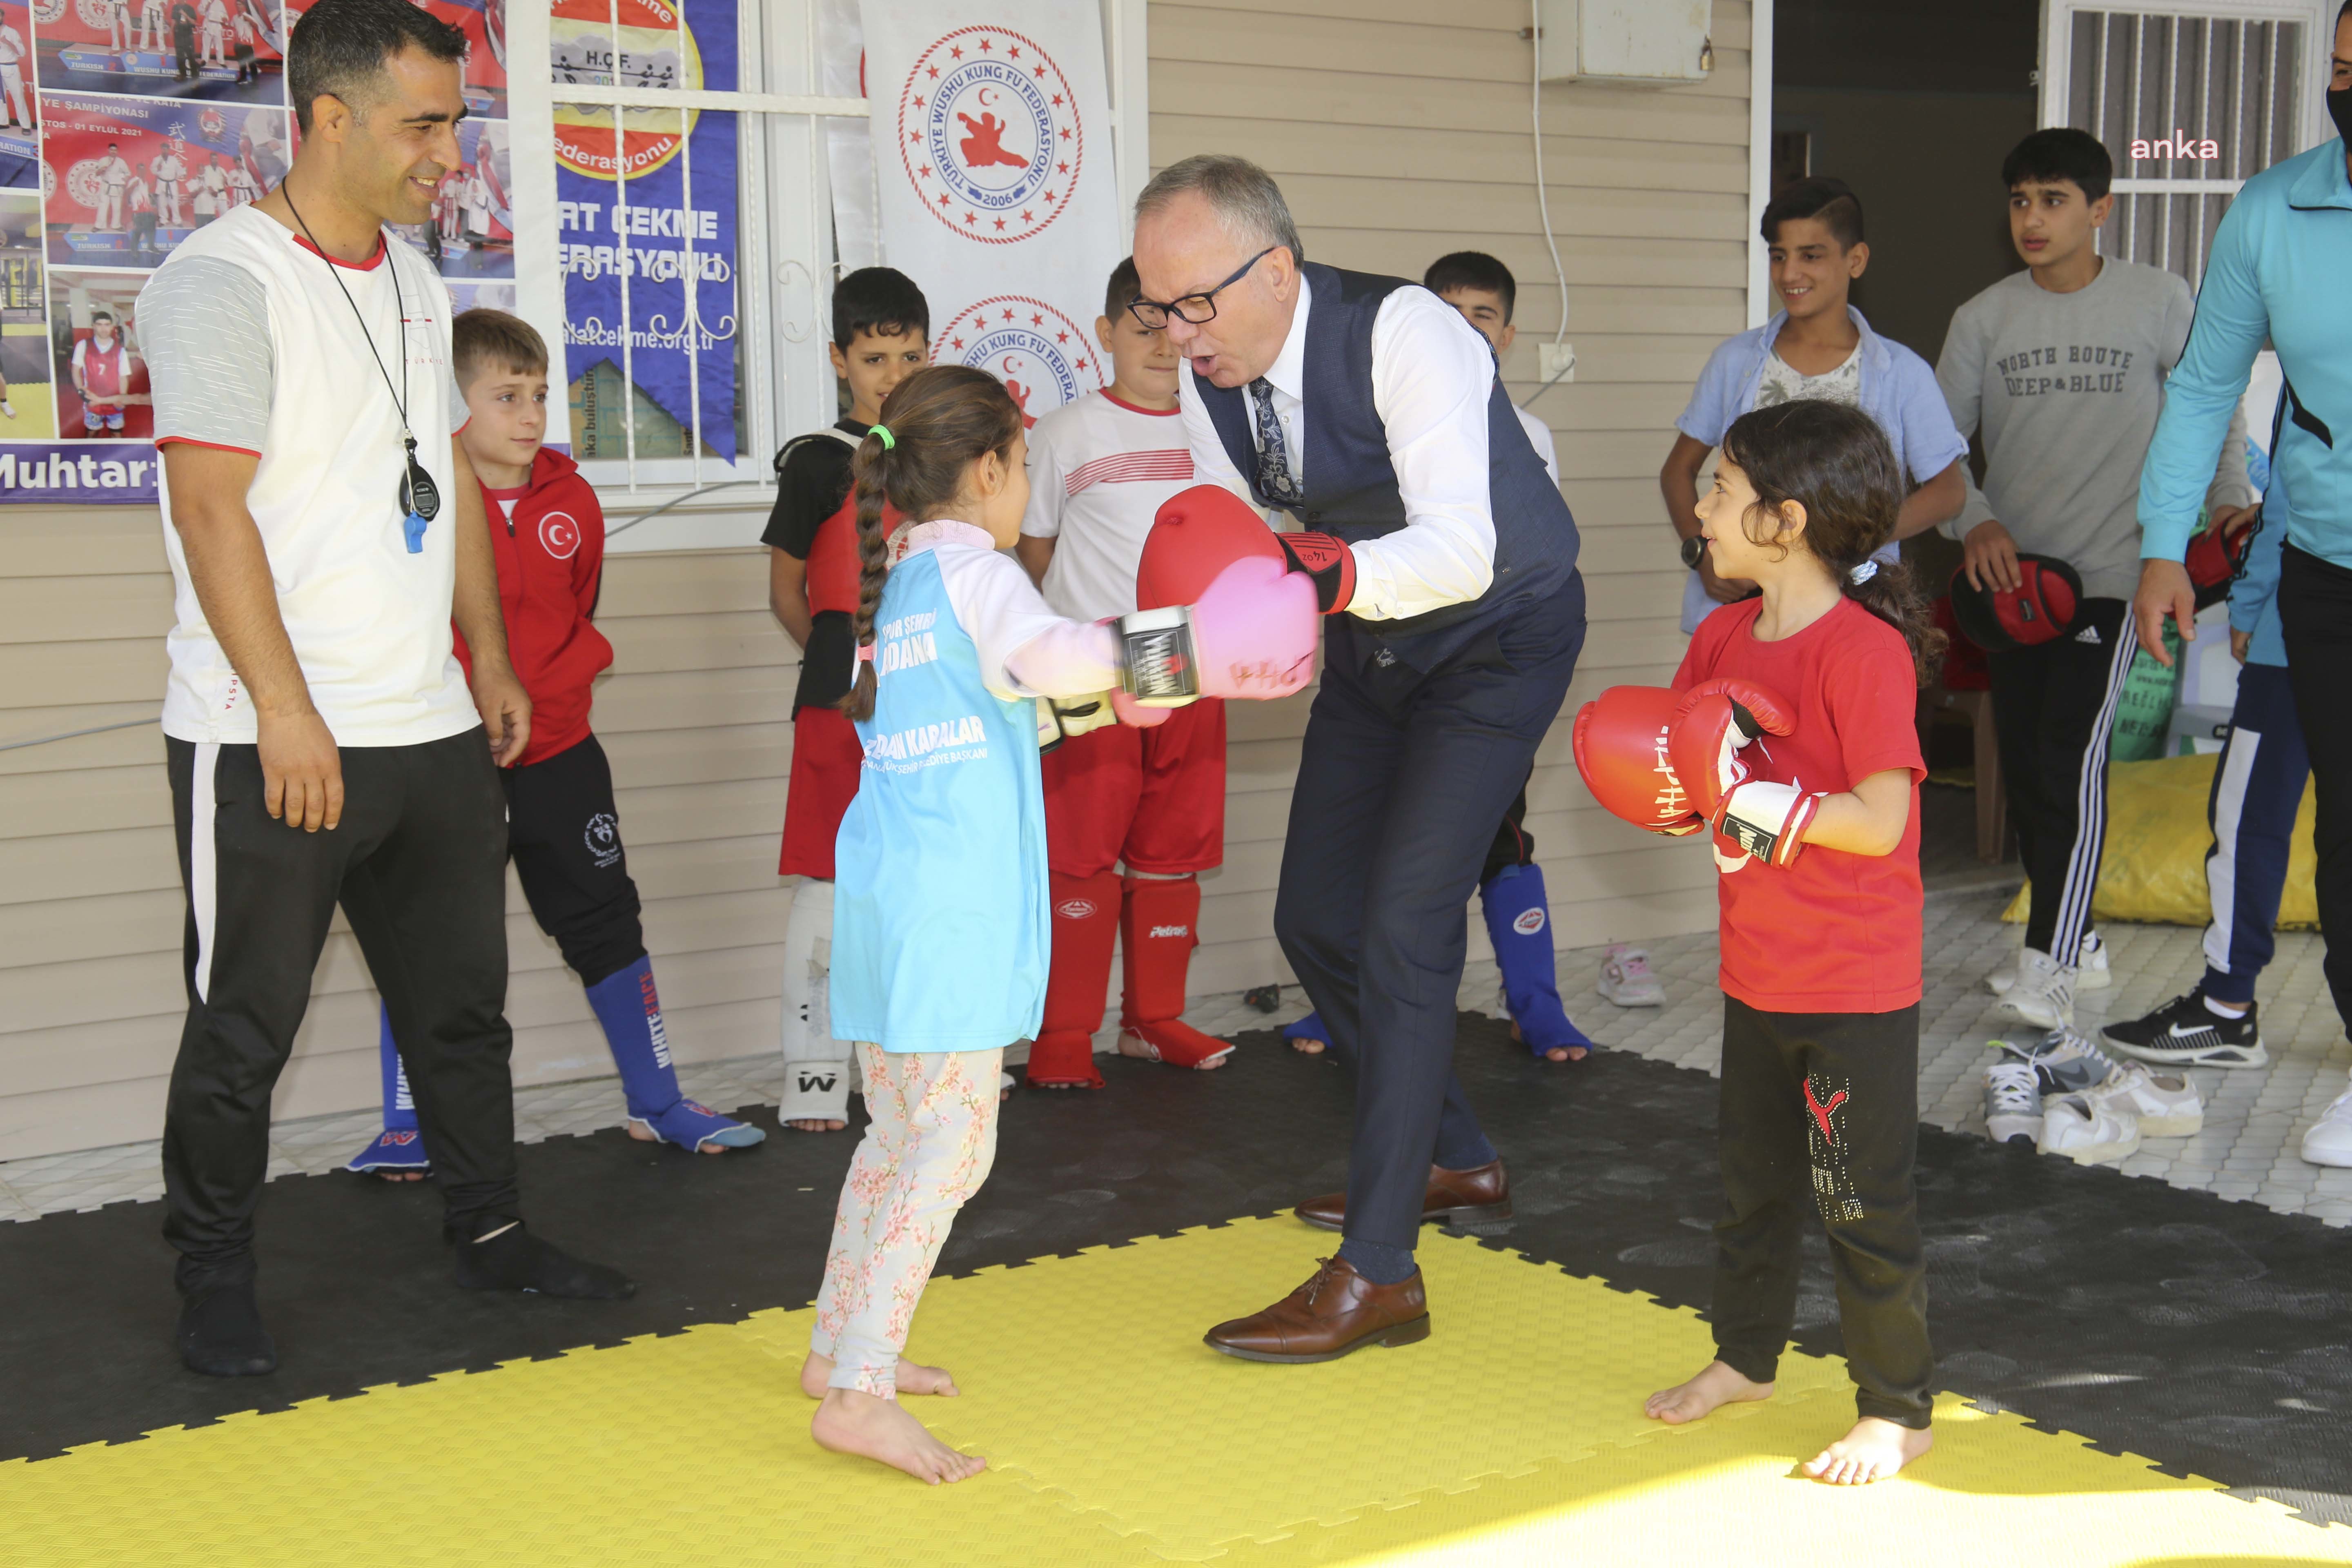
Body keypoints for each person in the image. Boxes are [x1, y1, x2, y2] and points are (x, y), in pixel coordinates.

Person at [136, 0, 629, 1379]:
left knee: (461, 1011)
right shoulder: (222, 281)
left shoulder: (416, 278)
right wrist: (287, 712)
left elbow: (447, 478)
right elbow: (211, 511)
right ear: (330, 118)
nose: (448, 153)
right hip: (271, 737)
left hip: (429, 728)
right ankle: (212, 1277)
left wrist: (489, 656)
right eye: (424, 124)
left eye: (454, 123)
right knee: (245, 1028)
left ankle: (492, 1230)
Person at [797, 365, 1315, 1481]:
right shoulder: (980, 576)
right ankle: (858, 1390)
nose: (1026, 485)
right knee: (951, 1148)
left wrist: (1128, 695)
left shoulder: (902, 583)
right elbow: (1046, 658)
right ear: (989, 470)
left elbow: (1000, 715)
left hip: (886, 897)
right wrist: (1189, 644)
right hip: (949, 910)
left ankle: (840, 1345)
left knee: (895, 1138)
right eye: (1025, 465)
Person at [1134, 155, 1586, 1360]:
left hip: (1498, 637)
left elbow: (1458, 551)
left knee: (1404, 928)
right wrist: (1130, 676)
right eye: (1155, 306)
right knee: (1316, 919)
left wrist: (1305, 572)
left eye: (1194, 303)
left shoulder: (1406, 332)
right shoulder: (1210, 376)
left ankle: (1380, 1271)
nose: (1176, 334)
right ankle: (1456, 1155)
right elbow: (1228, 556)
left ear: (1275, 270)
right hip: (1376, 645)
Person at [1583, 399, 1937, 1483]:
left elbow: (1879, 821)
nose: (1700, 507)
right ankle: (1745, 1360)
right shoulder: (1721, 637)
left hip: (1854, 985)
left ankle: (1898, 1410)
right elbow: (1693, 779)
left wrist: (1759, 809)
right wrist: (1675, 801)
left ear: (1787, 522)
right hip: (1759, 970)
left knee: (1858, 1200)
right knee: (1754, 1189)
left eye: (1722, 490)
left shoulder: (1864, 653)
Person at [343, 307, 763, 1179]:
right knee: (424, 938)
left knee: (606, 924)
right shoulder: (410, 496)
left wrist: (550, 695)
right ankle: (408, 1122)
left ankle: (657, 1104)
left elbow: (578, 608)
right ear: (451, 401)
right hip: (447, 757)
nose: (532, 414)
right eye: (507, 396)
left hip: (561, 754)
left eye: (539, 394)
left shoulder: (572, 499)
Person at [1937, 128, 2257, 1032]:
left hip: (2118, 575)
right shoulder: (1983, 318)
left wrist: (2228, 502)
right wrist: (1975, 518)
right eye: (2020, 201)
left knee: (2071, 760)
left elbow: (2212, 407)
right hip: (2014, 590)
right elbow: (1936, 447)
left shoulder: (2158, 299)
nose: (2032, 219)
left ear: (2101, 209)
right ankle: (2078, 940)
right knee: (2033, 766)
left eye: (2054, 200)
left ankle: (2051, 963)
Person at [2132, 4, 2352, 1166]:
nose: (2344, 91)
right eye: (2340, 69)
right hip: (2325, 562)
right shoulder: (2274, 210)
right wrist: (2163, 547)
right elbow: (2204, 386)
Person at [1283, 249, 1595, 1065]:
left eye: (1481, 315)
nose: (1461, 328)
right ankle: (1345, 1006)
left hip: (1486, 667)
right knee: (1379, 847)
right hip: (1388, 661)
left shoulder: (1526, 435)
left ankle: (1536, 1005)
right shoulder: (1385, 416)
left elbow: (1523, 557)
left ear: (1507, 334)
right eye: (1446, 311)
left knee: (1497, 841)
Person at [1012, 256, 1232, 1088]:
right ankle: (1064, 1033)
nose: (1165, 345)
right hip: (1093, 666)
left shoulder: (1224, 431)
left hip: (1188, 661)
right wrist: (1074, 646)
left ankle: (1153, 1020)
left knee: (1171, 852)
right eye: (1145, 328)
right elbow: (1033, 554)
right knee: (1080, 856)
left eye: (1180, 327)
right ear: (1107, 333)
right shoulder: (1066, 434)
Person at [763, 266, 926, 1134]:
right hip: (839, 700)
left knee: (917, 879)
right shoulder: (817, 462)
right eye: (874, 358)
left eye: (909, 357)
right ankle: (815, 1072)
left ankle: (922, 1067)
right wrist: (841, 664)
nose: (892, 376)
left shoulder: (937, 455)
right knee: (830, 881)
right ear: (839, 360)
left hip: (928, 698)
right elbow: (788, 594)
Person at [1662, 178, 1968, 639]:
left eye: (1811, 256)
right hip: (1743, 611)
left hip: (1853, 612)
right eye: (1778, 256)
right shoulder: (1735, 361)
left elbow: (1948, 492)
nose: (1789, 274)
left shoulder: (1902, 372)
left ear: (1856, 260)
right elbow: (1677, 470)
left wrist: (1844, 540)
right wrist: (1702, 553)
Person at [71, 309, 146, 436]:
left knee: (116, 434)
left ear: (112, 327)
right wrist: (80, 390)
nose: (103, 329)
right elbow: (75, 370)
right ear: (93, 326)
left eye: (107, 325)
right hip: (93, 399)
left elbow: (123, 377)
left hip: (114, 400)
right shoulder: (83, 345)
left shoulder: (120, 350)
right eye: (99, 325)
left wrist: (122, 398)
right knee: (92, 434)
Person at [0, 13, 30, 131]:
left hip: (10, 67)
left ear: (2, 17)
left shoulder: (12, 32)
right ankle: (3, 122)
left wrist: (7, 42)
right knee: (0, 98)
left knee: (18, 97)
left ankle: (26, 126)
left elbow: (22, 53)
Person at [127, 163, 160, 261]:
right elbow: (128, 192)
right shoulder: (134, 181)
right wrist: (133, 187)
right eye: (141, 170)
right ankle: (134, 251)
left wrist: (157, 178)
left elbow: (148, 189)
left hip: (148, 210)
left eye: (144, 170)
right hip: (138, 211)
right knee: (138, 232)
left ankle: (151, 247)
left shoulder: (144, 182)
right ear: (137, 170)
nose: (143, 172)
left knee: (152, 230)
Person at [96, 143, 131, 232]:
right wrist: (101, 170)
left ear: (117, 151)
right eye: (112, 150)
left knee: (117, 207)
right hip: (106, 185)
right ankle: (99, 226)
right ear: (108, 150)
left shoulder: (121, 162)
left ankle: (116, 225)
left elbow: (128, 173)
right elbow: (97, 173)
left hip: (116, 187)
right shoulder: (103, 160)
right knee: (103, 206)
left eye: (115, 150)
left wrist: (125, 178)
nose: (113, 152)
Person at [153, 142, 187, 227]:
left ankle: (177, 221)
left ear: (169, 150)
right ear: (161, 150)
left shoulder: (174, 160)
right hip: (162, 183)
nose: (165, 151)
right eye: (163, 149)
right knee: (162, 203)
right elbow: (152, 170)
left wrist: (183, 173)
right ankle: (163, 220)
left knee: (174, 204)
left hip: (172, 184)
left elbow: (179, 169)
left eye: (166, 149)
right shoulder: (157, 160)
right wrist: (157, 169)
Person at [170, 0, 199, 80]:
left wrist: (185, 15)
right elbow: (174, 19)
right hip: (178, 35)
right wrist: (171, 30)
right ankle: (183, 75)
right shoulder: (175, 7)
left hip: (188, 35)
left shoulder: (190, 8)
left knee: (191, 57)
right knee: (180, 56)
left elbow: (194, 22)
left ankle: (195, 78)